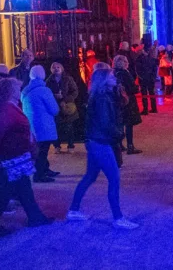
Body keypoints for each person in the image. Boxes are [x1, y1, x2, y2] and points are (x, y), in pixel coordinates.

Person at [67, 65, 140, 229]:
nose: (115, 78)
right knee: (114, 178)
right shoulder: (102, 99)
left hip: (95, 140)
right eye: (112, 77)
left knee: (90, 176)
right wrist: (119, 134)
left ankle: (73, 209)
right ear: (104, 81)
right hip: (101, 142)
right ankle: (118, 218)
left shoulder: (102, 95)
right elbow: (107, 123)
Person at [0, 77, 53, 237]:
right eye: (16, 89)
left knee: (23, 187)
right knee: (2, 192)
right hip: (9, 158)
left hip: (15, 157)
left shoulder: (10, 106)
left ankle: (35, 216)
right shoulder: (6, 109)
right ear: (9, 91)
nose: (19, 91)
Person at [23, 65, 60, 182]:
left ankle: (45, 169)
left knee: (39, 149)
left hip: (32, 125)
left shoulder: (25, 90)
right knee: (43, 151)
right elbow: (54, 109)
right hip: (44, 125)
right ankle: (39, 174)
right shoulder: (44, 90)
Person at [114, 54, 144, 154]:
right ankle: (130, 146)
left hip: (118, 101)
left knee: (120, 123)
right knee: (129, 124)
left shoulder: (114, 73)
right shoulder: (125, 74)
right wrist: (137, 88)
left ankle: (119, 144)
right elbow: (130, 88)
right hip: (128, 101)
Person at [47, 62, 79, 153]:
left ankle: (70, 146)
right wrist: (54, 96)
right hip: (55, 106)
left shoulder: (68, 79)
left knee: (69, 127)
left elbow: (75, 91)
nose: (56, 69)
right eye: (54, 67)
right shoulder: (49, 80)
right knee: (56, 127)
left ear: (62, 68)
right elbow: (46, 93)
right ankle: (57, 146)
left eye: (58, 67)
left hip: (67, 106)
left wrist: (65, 98)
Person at [137, 45, 159, 114]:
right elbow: (155, 70)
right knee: (152, 93)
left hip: (143, 79)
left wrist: (140, 77)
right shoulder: (152, 59)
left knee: (144, 94)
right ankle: (154, 108)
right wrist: (153, 77)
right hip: (151, 78)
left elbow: (138, 70)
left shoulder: (139, 59)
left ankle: (145, 109)